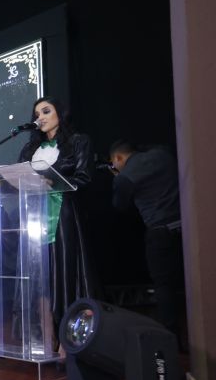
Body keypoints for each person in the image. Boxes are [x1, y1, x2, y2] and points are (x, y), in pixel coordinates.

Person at [14, 96, 96, 357]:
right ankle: (46, 336)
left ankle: (67, 338)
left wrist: (54, 181)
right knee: (40, 279)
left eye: (46, 111)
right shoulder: (29, 151)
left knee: (63, 274)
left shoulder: (78, 142)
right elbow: (18, 179)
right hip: (33, 219)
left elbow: (84, 178)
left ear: (61, 112)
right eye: (37, 113)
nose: (40, 117)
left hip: (63, 216)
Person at [110, 139, 184, 336]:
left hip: (160, 233)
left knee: (164, 286)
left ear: (118, 158)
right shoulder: (163, 155)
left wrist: (117, 177)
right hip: (188, 226)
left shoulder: (124, 176)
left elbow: (120, 205)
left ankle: (172, 339)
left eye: (113, 163)